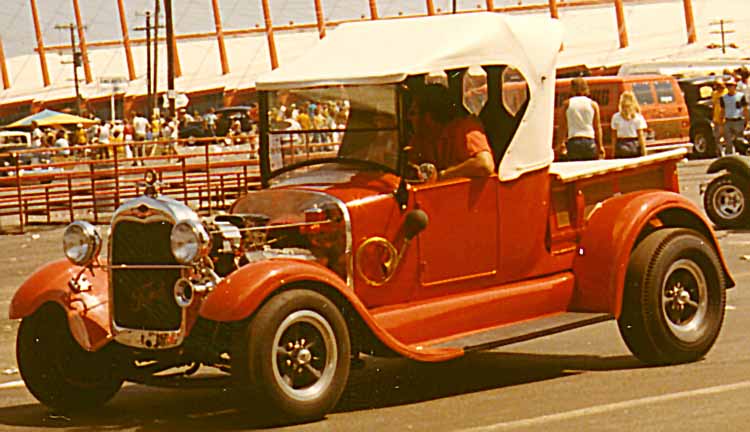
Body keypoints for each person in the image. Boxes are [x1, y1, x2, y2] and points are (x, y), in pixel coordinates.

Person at [408, 83, 494, 180]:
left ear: (428, 118)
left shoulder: (465, 129)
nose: (409, 118)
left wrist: (443, 176)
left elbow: (485, 165)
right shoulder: (421, 138)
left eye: (413, 113)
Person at [558, 77, 604, 161]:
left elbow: (562, 126)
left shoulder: (567, 104)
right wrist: (600, 146)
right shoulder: (593, 104)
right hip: (589, 139)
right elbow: (597, 127)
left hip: (574, 141)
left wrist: (561, 143)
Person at [611, 91, 648, 158]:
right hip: (634, 145)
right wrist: (643, 150)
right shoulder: (638, 117)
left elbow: (614, 136)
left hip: (621, 145)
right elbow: (640, 136)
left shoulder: (616, 117)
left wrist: (613, 152)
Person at [718, 77, 749, 156]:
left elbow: (745, 109)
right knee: (728, 140)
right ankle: (730, 156)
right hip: (728, 120)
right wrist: (721, 123)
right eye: (728, 86)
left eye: (731, 86)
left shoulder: (740, 96)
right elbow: (722, 110)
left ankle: (742, 155)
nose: (730, 87)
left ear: (735, 86)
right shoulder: (723, 98)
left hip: (738, 120)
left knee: (740, 140)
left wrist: (748, 121)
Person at [711, 78, 727, 155]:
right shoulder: (714, 94)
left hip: (725, 118)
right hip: (716, 119)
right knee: (717, 137)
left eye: (720, 85)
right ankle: (720, 152)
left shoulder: (726, 93)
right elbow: (714, 106)